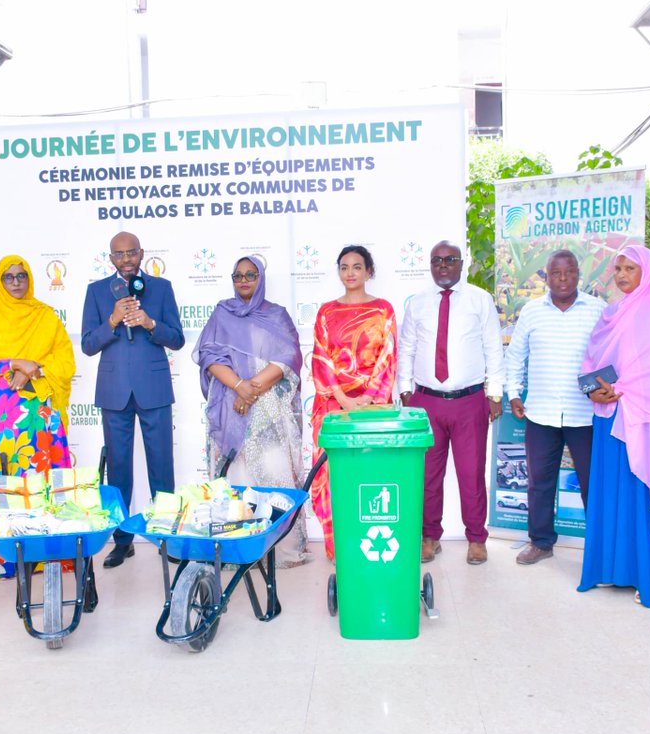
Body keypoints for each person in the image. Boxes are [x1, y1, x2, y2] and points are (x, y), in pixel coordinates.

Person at [576, 246, 650, 607]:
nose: (623, 275)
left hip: (644, 422)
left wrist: (622, 389)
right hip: (610, 417)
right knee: (612, 494)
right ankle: (615, 569)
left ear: (647, 271)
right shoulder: (611, 313)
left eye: (631, 268)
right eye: (619, 268)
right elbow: (590, 361)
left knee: (642, 495)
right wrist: (594, 387)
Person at [0, 255, 76, 577]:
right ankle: (1, 559)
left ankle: (47, 556)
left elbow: (65, 362)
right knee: (0, 486)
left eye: (21, 276)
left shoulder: (45, 317)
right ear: (0, 280)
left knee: (38, 486)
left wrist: (34, 370)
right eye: (8, 277)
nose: (15, 282)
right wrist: (12, 363)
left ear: (29, 279)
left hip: (38, 425)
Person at [194, 256, 310, 567]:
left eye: (251, 275)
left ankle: (279, 548)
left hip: (267, 407)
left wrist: (251, 388)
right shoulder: (222, 313)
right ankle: (236, 546)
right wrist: (238, 386)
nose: (244, 280)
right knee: (235, 473)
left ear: (261, 279)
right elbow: (208, 354)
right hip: (230, 404)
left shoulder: (276, 315)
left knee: (273, 473)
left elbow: (288, 357)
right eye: (238, 275)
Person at [82, 231, 185, 568]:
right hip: (114, 393)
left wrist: (150, 323)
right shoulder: (97, 292)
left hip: (153, 389)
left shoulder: (162, 288)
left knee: (162, 468)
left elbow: (177, 339)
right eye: (118, 254)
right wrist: (112, 320)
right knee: (119, 471)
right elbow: (88, 344)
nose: (125, 259)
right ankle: (122, 540)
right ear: (110, 258)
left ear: (141, 254)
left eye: (131, 253)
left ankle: (166, 536)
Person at [398, 241, 505, 565]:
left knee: (471, 474)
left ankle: (476, 539)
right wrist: (405, 391)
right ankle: (429, 536)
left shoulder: (479, 300)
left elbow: (493, 348)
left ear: (462, 263)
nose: (443, 266)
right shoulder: (417, 303)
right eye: (436, 261)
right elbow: (407, 348)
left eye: (449, 260)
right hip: (426, 401)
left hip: (469, 401)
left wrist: (495, 393)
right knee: (428, 474)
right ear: (430, 266)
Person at [504, 250, 606, 565]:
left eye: (570, 272)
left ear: (579, 275)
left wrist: (602, 389)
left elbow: (610, 357)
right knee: (539, 482)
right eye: (556, 273)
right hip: (542, 412)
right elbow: (516, 355)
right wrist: (513, 392)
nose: (563, 279)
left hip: (585, 414)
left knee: (593, 482)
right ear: (546, 277)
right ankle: (541, 542)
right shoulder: (532, 311)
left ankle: (600, 547)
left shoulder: (598, 310)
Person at [310, 245, 396, 561]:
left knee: (367, 475)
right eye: (344, 267)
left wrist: (369, 398)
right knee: (330, 478)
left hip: (372, 409)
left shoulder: (383, 309)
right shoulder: (326, 312)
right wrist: (344, 399)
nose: (350, 273)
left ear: (368, 271)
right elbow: (320, 358)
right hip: (333, 408)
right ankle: (336, 547)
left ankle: (370, 541)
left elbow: (388, 357)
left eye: (357, 267)